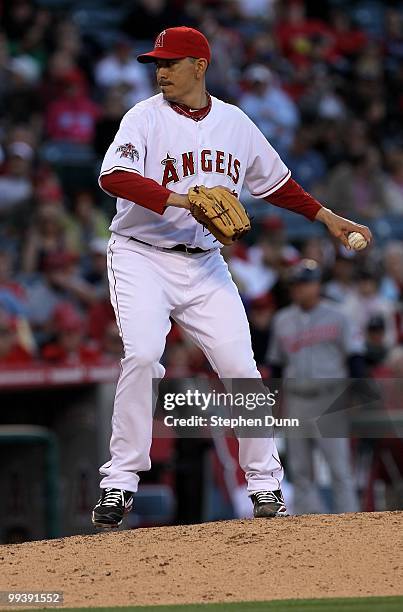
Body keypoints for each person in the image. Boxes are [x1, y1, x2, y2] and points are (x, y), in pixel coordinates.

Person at [91, 26, 371, 529]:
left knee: (242, 367)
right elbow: (113, 176)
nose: (160, 71)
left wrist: (328, 218)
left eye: (170, 62)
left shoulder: (236, 123)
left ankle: (265, 487)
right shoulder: (144, 117)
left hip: (203, 263)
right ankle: (120, 481)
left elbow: (278, 183)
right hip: (140, 255)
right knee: (143, 354)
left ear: (200, 66)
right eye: (156, 62)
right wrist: (181, 197)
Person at [267, 259, 365, 514]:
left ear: (317, 284)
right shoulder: (282, 320)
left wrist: (355, 396)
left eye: (306, 283)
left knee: (339, 469)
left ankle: (351, 523)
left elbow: (355, 358)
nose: (301, 289)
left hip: (330, 399)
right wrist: (275, 404)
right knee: (300, 470)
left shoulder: (339, 315)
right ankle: (310, 530)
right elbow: (276, 366)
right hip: (297, 399)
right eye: (297, 284)